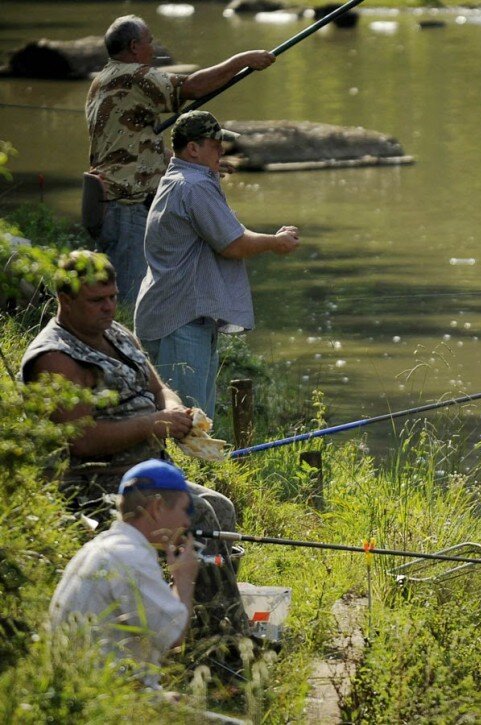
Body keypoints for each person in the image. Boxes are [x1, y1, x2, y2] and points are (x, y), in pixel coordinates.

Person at [20, 251, 246, 633]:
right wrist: (152, 425)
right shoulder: (55, 358)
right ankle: (223, 639)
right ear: (66, 300)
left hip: (144, 475)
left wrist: (177, 412)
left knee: (220, 508)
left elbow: (157, 386)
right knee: (200, 516)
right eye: (97, 300)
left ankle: (206, 622)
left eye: (112, 297)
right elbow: (81, 441)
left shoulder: (115, 332)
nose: (109, 308)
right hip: (93, 486)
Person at [86, 14, 275, 305]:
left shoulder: (101, 81)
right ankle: (124, 348)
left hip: (110, 201)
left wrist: (193, 162)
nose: (154, 48)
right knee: (127, 297)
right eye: (150, 41)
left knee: (126, 290)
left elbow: (135, 147)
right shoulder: (132, 75)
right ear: (135, 46)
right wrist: (243, 60)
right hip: (125, 205)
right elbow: (193, 87)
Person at [134, 110, 300, 420]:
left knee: (188, 421)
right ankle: (187, 470)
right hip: (180, 322)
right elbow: (233, 244)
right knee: (188, 425)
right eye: (215, 145)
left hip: (172, 315)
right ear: (192, 149)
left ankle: (190, 469)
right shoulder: (195, 186)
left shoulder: (181, 178)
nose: (221, 151)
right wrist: (275, 242)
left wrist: (209, 172)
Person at [49, 459, 199, 690]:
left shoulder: (99, 547)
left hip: (81, 690)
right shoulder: (131, 558)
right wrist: (184, 579)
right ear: (157, 508)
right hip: (102, 700)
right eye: (184, 510)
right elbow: (174, 637)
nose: (187, 521)